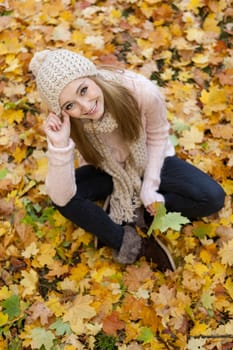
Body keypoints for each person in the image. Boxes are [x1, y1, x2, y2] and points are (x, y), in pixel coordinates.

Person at [29, 49, 225, 272]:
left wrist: (150, 187)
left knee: (212, 197)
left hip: (149, 158)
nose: (84, 107)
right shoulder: (69, 123)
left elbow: (158, 134)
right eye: (69, 105)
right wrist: (59, 145)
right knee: (61, 196)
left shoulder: (139, 91)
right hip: (107, 169)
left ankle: (142, 212)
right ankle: (127, 240)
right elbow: (62, 196)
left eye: (83, 90)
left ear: (92, 75)